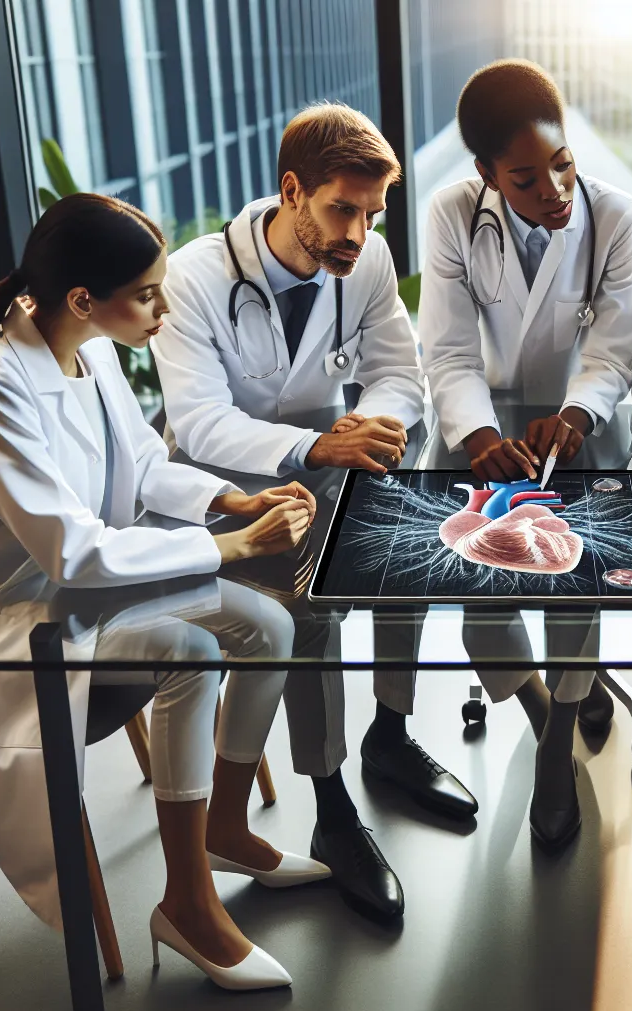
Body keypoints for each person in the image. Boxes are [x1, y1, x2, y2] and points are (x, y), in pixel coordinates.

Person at [0, 193, 327, 990]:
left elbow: (146, 464)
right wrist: (228, 545)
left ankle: (225, 825)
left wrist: (236, 500)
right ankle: (188, 904)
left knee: (270, 625)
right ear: (85, 298)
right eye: (149, 293)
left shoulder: (90, 352)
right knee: (193, 651)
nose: (164, 306)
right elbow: (67, 548)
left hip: (79, 590)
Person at [154, 104, 468, 922]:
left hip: (329, 463)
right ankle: (331, 803)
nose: (360, 235)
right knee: (315, 603)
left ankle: (390, 736)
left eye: (372, 215)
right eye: (342, 210)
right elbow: (197, 421)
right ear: (291, 191)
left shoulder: (362, 259)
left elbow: (400, 371)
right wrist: (312, 447)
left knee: (413, 556)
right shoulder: (193, 277)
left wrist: (383, 420)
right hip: (231, 493)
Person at [417, 59, 632, 848]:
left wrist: (578, 413)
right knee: (482, 607)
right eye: (524, 179)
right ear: (485, 173)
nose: (552, 193)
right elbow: (447, 352)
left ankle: (555, 757)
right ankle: (547, 708)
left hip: (581, 429)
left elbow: (617, 351)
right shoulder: (449, 213)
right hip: (482, 429)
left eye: (563, 165)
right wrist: (479, 436)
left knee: (573, 594)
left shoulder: (616, 216)